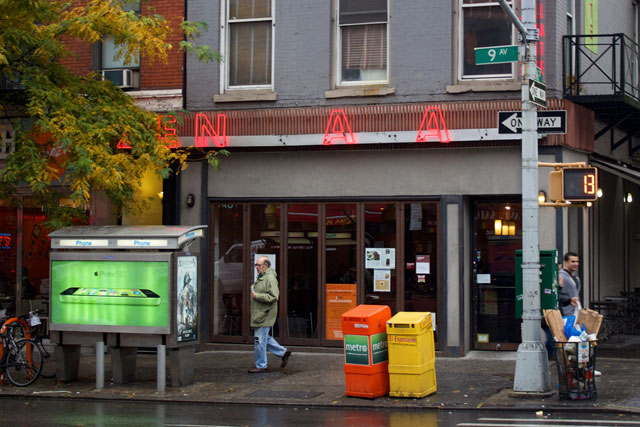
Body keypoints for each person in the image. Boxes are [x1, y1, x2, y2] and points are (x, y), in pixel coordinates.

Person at [249, 256, 291, 373]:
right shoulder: (262, 277)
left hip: (264, 315)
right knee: (264, 338)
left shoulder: (270, 278)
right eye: (256, 265)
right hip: (261, 314)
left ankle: (261, 365)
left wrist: (257, 296)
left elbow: (274, 297)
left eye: (258, 265)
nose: (256, 267)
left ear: (265, 265)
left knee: (259, 341)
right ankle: (283, 352)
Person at [558, 252, 581, 316]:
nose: (576, 264)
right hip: (566, 313)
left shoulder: (576, 277)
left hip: (575, 312)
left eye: (577, 261)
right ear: (566, 262)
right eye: (573, 261)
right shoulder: (561, 277)